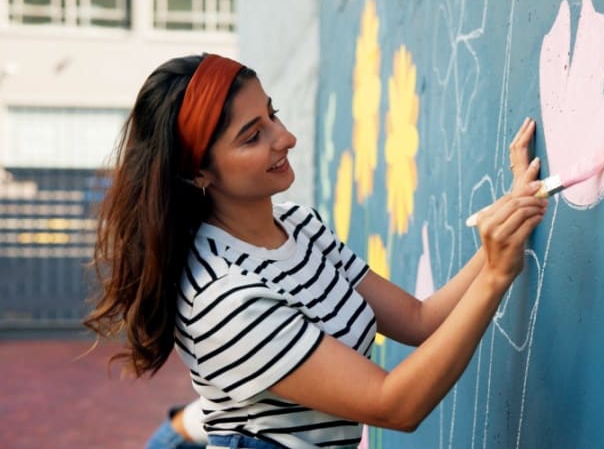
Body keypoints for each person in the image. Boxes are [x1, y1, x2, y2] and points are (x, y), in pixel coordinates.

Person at [84, 53, 548, 449]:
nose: (285, 138)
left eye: (273, 114)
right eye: (252, 135)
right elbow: (395, 406)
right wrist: (494, 275)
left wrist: (510, 213)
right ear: (198, 173)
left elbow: (419, 319)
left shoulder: (297, 225)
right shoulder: (222, 297)